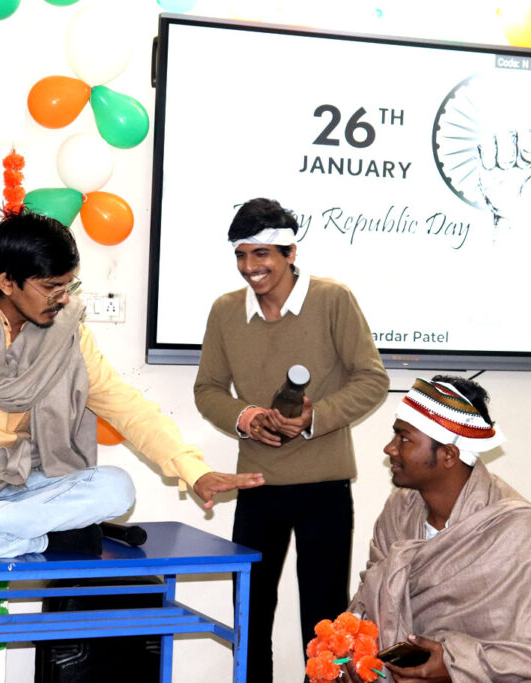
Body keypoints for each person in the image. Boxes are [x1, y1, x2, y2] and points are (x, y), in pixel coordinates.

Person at [0, 211, 265, 562]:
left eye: (68, 285)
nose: (63, 299)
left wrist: (193, 470)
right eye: (50, 288)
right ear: (7, 282)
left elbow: (126, 406)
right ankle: (41, 541)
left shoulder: (68, 334)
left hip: (15, 484)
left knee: (117, 488)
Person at [193, 198, 389, 681]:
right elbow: (208, 390)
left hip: (324, 486)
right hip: (257, 486)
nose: (249, 267)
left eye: (261, 254)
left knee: (325, 626)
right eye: (241, 255)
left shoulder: (332, 299)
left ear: (290, 253)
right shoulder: (225, 311)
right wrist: (246, 417)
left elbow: (372, 379)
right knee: (250, 617)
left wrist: (314, 417)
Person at [347, 376, 531, 682]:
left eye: (404, 439)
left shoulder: (522, 531)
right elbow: (370, 599)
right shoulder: (400, 510)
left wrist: (456, 667)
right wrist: (351, 651)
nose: (390, 448)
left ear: (448, 455)